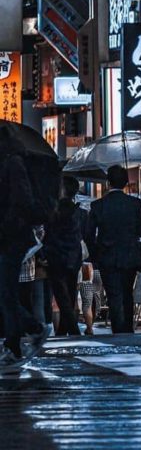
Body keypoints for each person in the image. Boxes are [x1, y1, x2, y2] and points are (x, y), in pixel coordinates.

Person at [0, 130, 48, 365]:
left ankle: (26, 335)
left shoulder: (13, 163)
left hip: (11, 237)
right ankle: (20, 338)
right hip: (9, 236)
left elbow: (21, 201)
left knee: (6, 292)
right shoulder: (10, 163)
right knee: (6, 292)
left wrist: (8, 223)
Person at [86, 165, 141, 334]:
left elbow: (89, 234)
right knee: (127, 293)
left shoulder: (98, 205)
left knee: (114, 295)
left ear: (108, 182)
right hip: (130, 256)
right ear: (126, 182)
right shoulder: (134, 204)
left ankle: (117, 330)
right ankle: (127, 329)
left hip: (107, 256)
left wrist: (95, 254)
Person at [44, 193, 84, 336]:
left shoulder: (54, 212)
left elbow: (48, 235)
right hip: (73, 259)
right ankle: (64, 329)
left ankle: (71, 329)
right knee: (70, 294)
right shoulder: (78, 213)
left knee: (61, 296)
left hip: (56, 259)